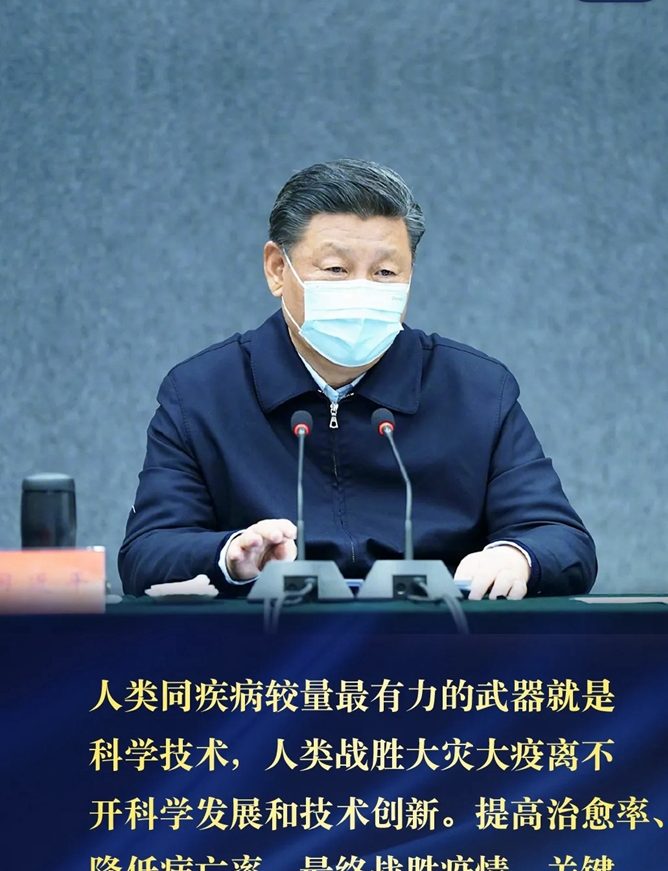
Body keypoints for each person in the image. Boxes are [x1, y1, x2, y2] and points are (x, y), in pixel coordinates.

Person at [118, 159, 596, 600]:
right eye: (336, 269)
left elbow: (562, 539)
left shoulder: (477, 390)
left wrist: (516, 557)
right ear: (277, 269)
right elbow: (146, 553)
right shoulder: (202, 393)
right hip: (269, 651)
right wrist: (230, 556)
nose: (362, 290)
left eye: (385, 272)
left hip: (437, 649)